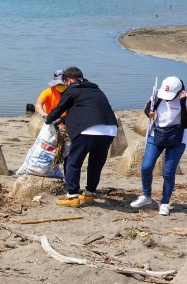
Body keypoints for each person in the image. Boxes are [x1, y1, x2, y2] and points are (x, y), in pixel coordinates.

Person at [45, 67, 118, 208]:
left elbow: (59, 108)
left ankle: (72, 195)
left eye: (65, 83)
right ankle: (89, 194)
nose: (65, 86)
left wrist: (48, 119)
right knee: (96, 163)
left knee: (73, 161)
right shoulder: (95, 89)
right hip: (109, 130)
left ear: (69, 80)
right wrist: (63, 119)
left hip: (89, 130)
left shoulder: (72, 89)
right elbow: (85, 110)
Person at [130, 76, 187, 216]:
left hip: (178, 138)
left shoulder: (184, 100)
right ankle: (146, 196)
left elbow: (185, 124)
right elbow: (148, 108)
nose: (167, 98)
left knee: (168, 172)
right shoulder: (158, 95)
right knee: (146, 167)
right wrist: (149, 113)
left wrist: (182, 102)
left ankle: (165, 203)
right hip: (157, 134)